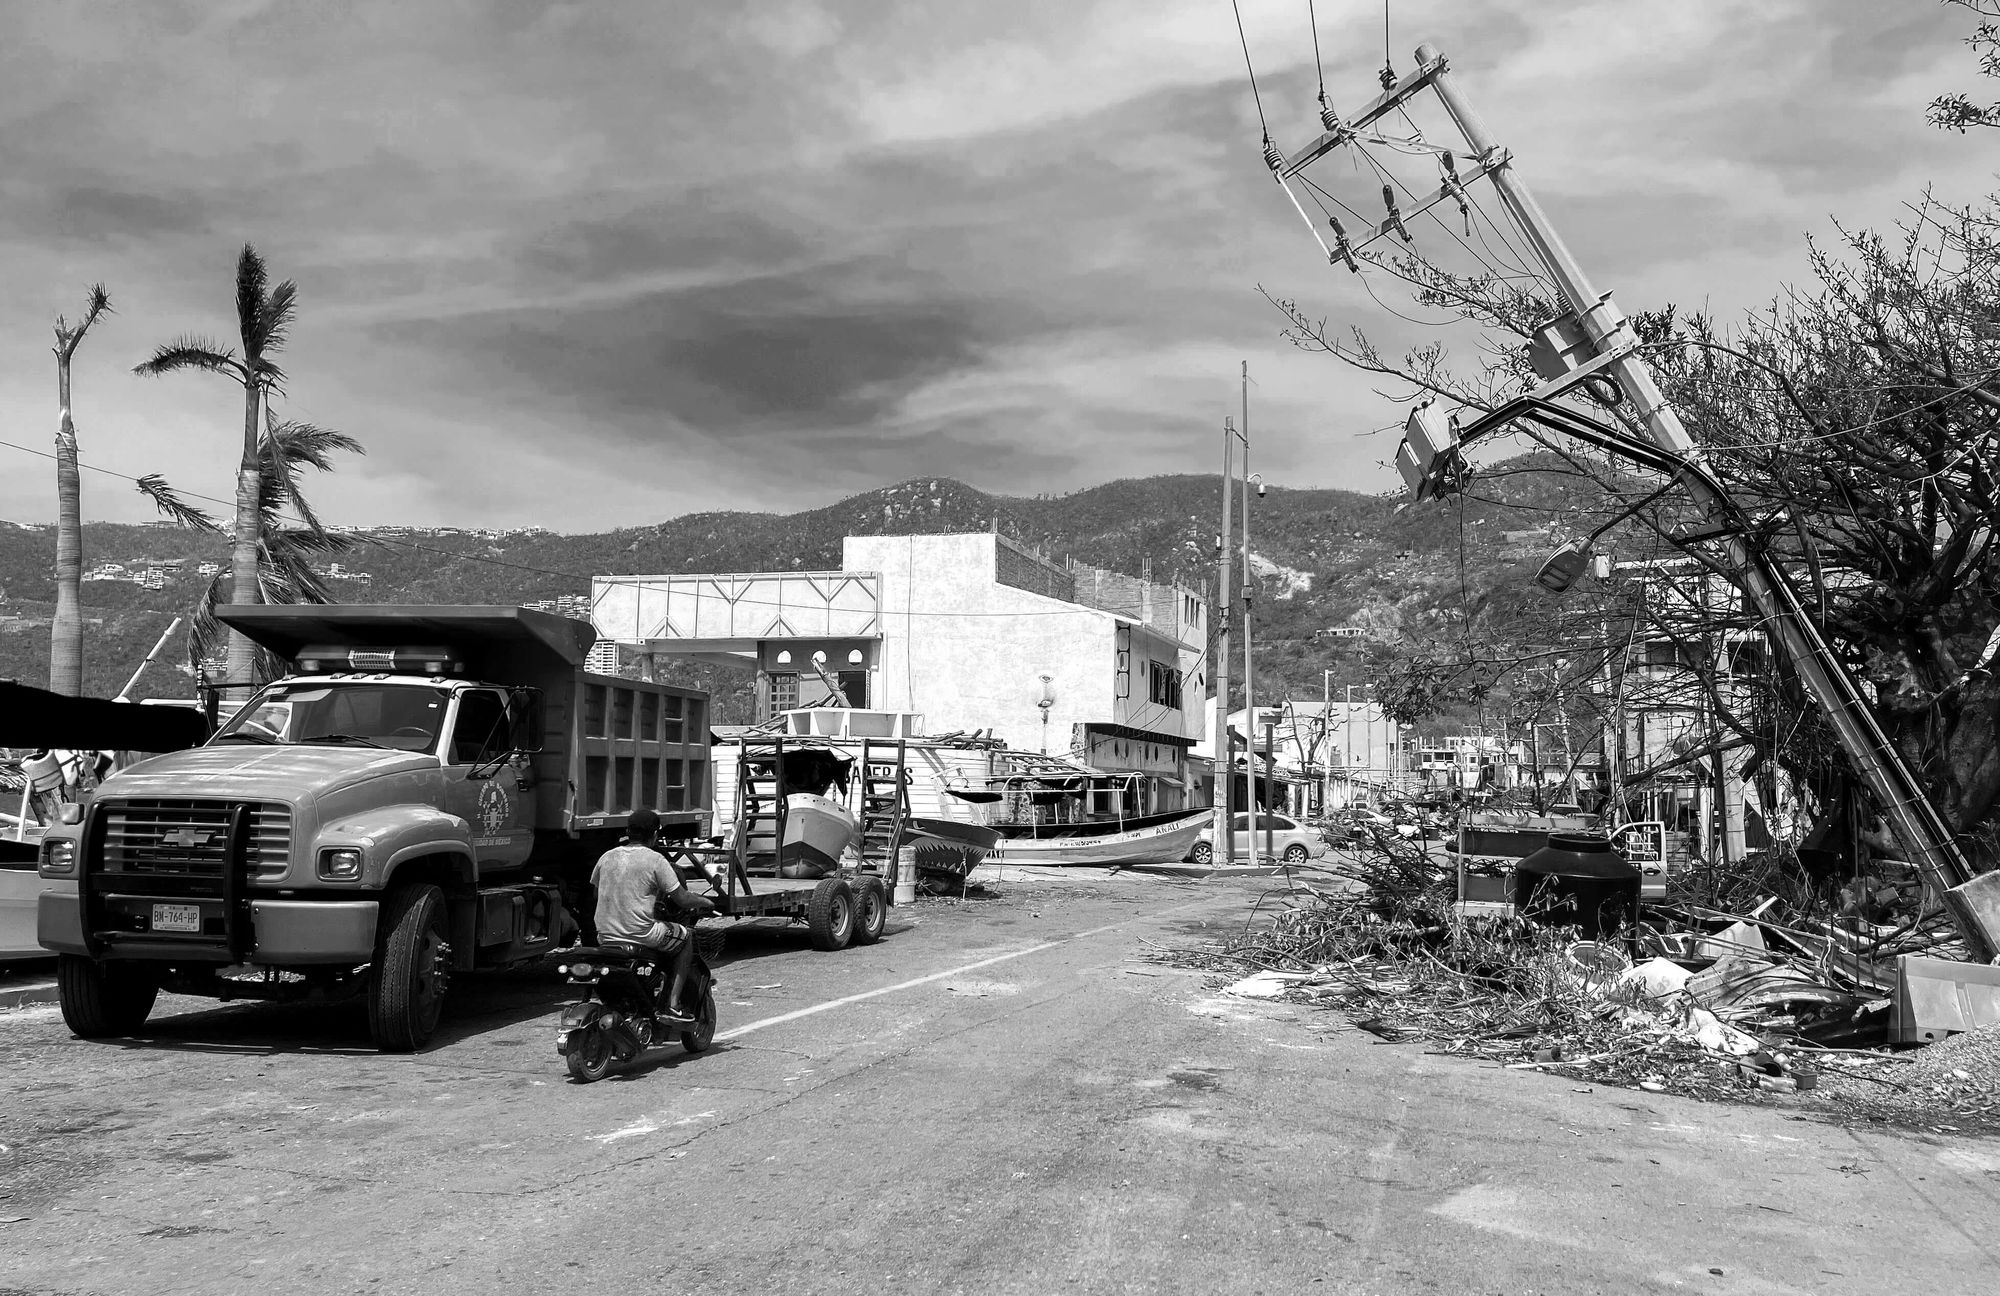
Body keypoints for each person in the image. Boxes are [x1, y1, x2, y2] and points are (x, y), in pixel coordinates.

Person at [589, 807, 715, 1024]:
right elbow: (682, 899)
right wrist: (706, 901)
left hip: (605, 936)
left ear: (628, 831)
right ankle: (673, 1005)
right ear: (655, 834)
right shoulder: (655, 860)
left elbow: (595, 893)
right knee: (686, 938)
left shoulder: (607, 857)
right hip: (641, 934)